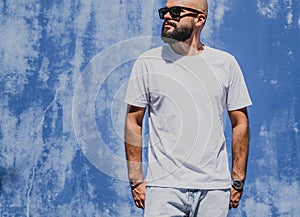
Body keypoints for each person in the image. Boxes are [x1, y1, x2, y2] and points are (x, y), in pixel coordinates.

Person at [124, 0, 252, 216]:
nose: (167, 17)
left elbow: (240, 123)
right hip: (164, 188)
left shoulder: (225, 64)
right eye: (164, 11)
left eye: (175, 12)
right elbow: (133, 121)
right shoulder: (148, 62)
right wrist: (136, 180)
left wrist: (237, 180)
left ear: (199, 19)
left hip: (214, 189)